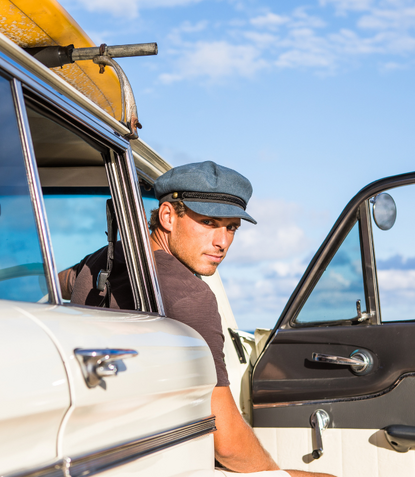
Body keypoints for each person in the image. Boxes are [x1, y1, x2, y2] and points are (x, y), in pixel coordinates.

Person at [59, 161, 334, 477]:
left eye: (231, 227)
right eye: (208, 222)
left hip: (93, 454)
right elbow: (228, 444)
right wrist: (276, 473)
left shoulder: (97, 262)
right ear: (167, 216)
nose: (222, 242)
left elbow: (60, 280)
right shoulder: (190, 296)